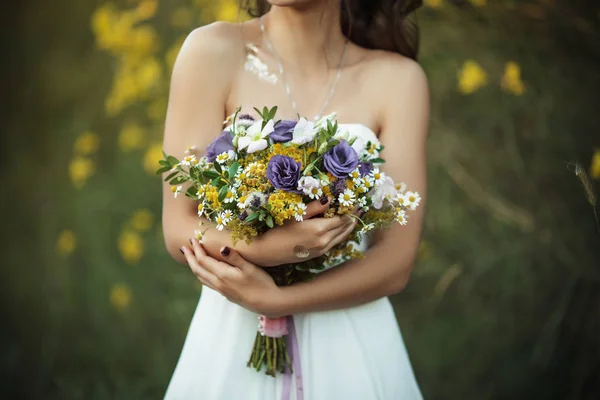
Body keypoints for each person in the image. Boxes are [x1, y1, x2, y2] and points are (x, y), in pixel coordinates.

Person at [162, 0, 429, 398]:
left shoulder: (399, 80)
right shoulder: (212, 51)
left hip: (352, 345)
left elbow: (395, 260)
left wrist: (279, 300)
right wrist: (270, 246)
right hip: (230, 336)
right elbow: (179, 227)